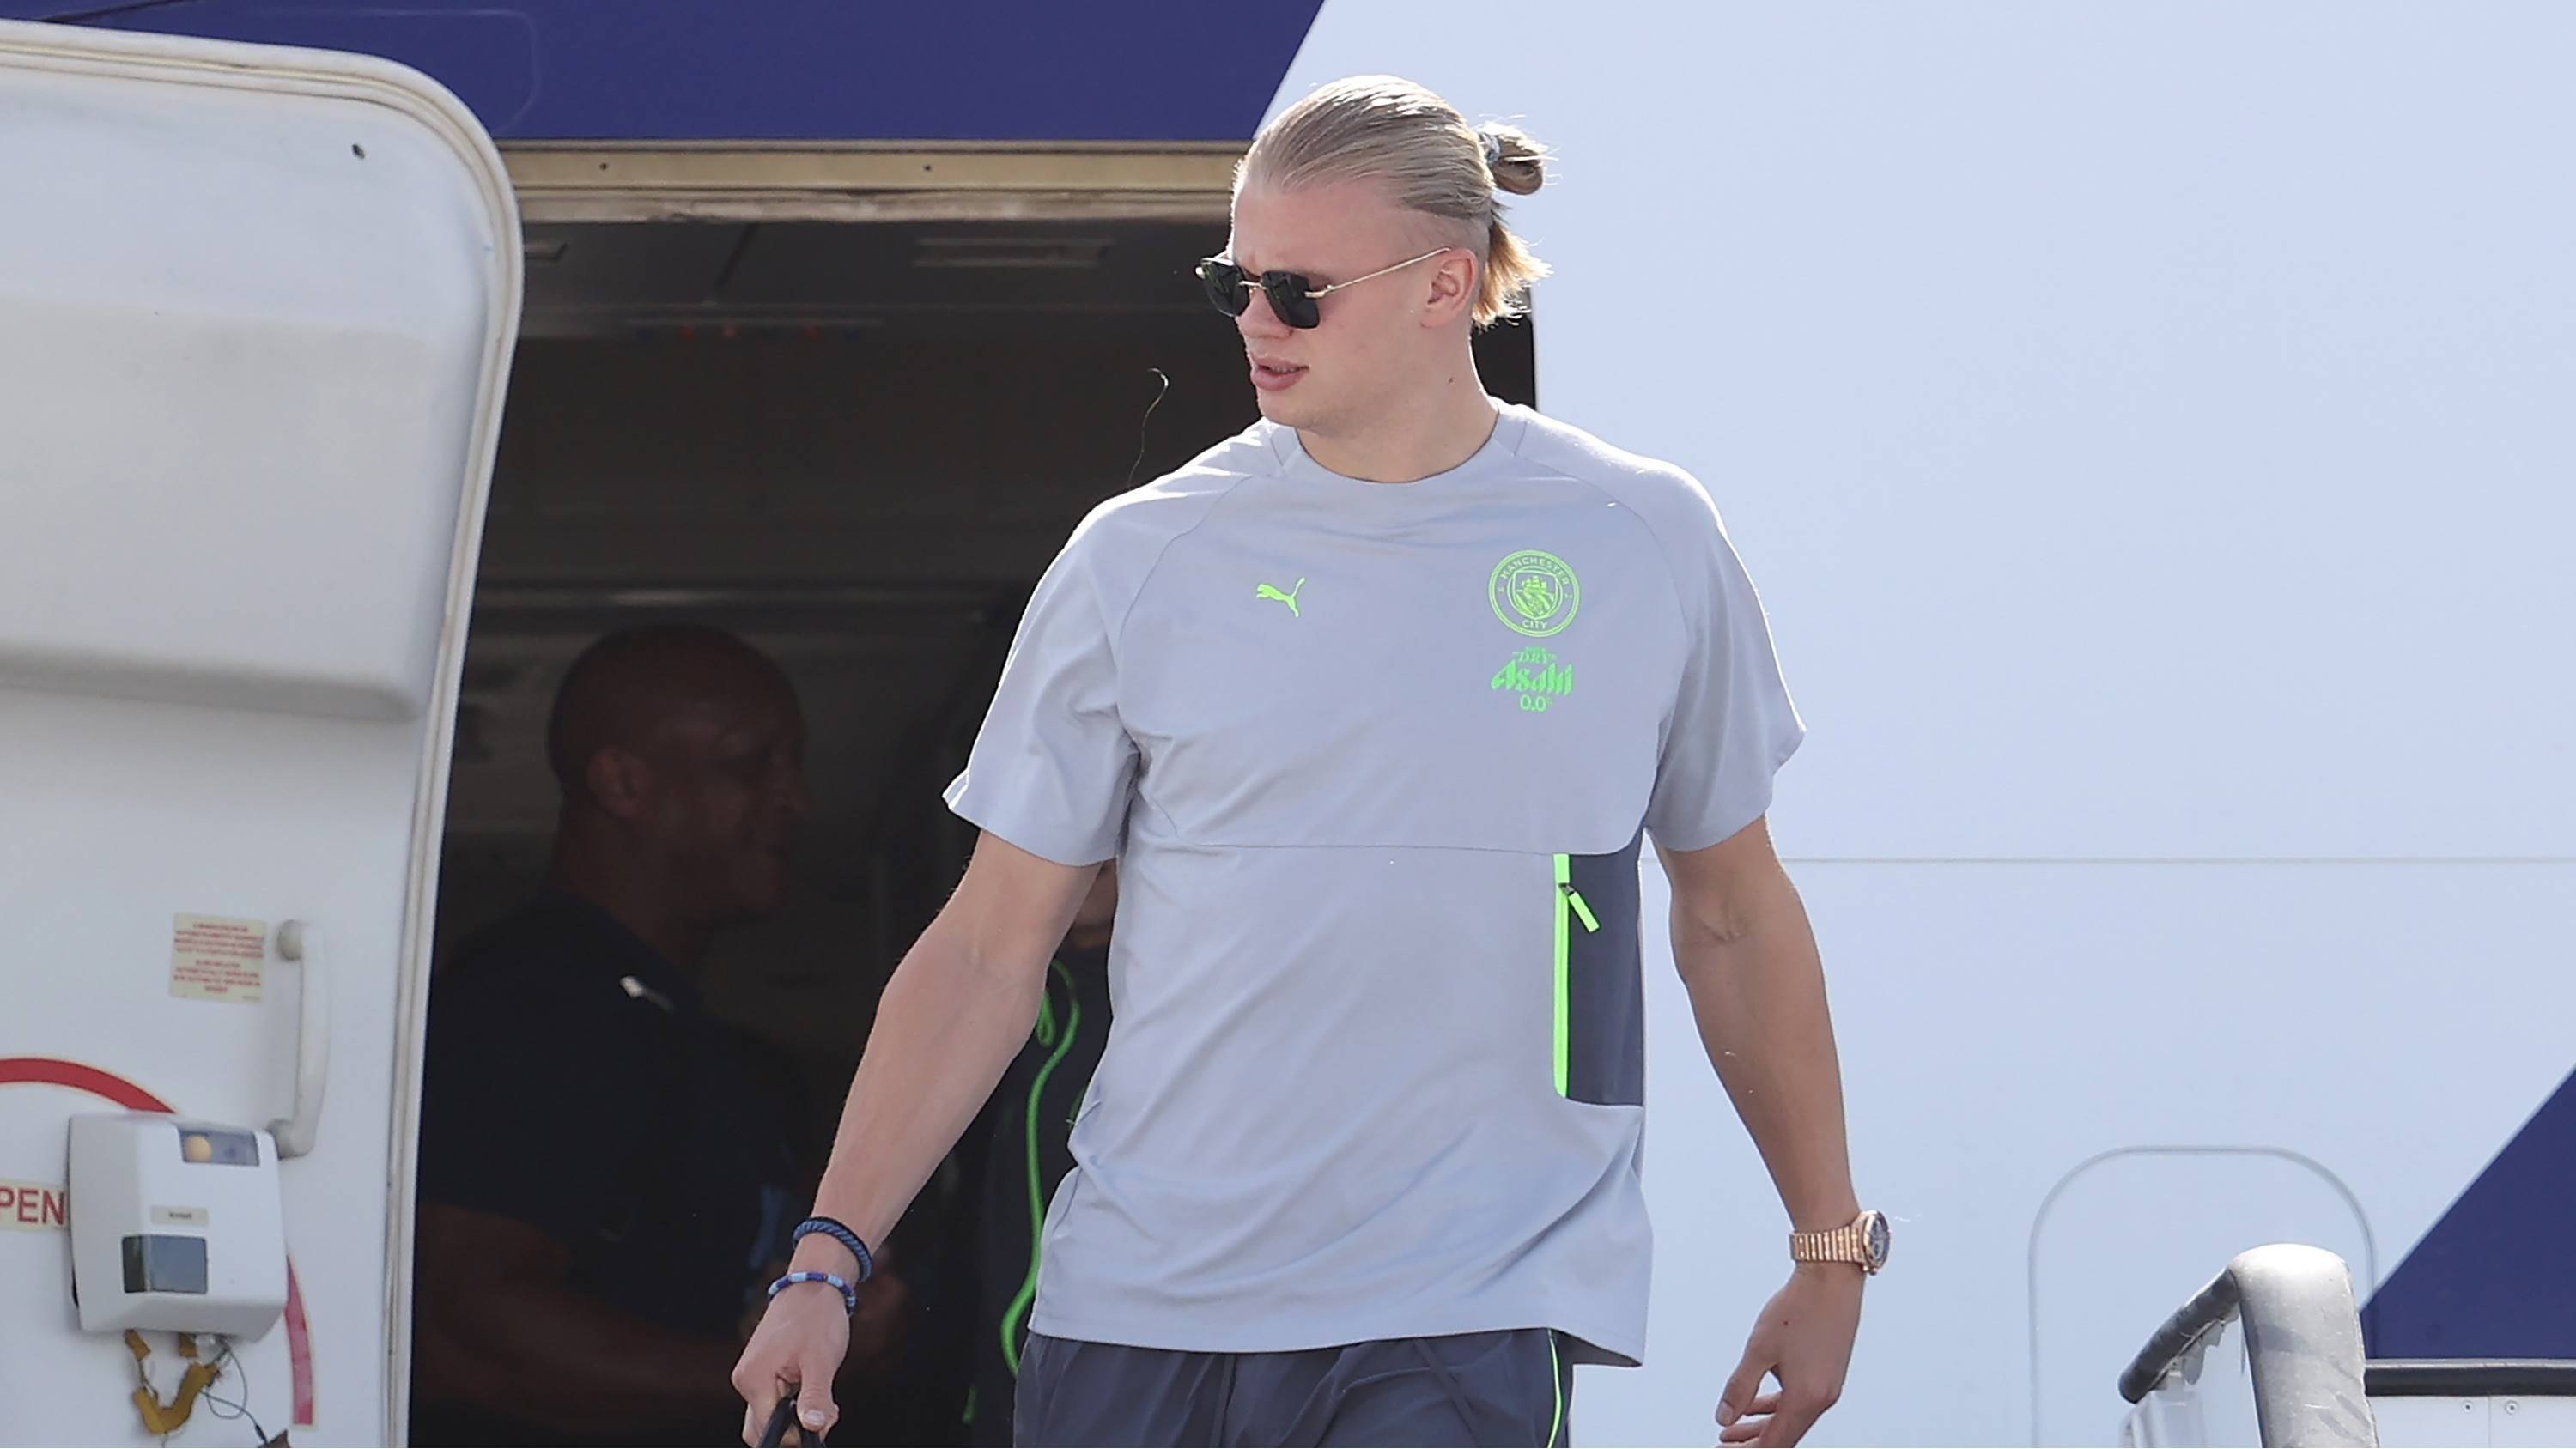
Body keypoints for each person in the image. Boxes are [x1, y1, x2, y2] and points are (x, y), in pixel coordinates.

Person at [737, 76, 1881, 1449]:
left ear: (1446, 283)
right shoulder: (1138, 557)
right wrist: (826, 1260)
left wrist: (1830, 1247)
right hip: (1137, 1313)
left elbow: (1733, 913)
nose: (1256, 324)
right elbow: (988, 949)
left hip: (1467, 1313)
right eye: (1234, 284)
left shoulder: (1643, 540)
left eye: (1298, 291)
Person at [411, 625, 907, 1445]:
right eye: (751, 766)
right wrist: (782, 1371)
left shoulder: (693, 1039)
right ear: (623, 783)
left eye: (792, 766)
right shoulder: (533, 1007)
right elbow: (461, 1329)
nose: (797, 800)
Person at [963, 865, 1118, 1445]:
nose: (1100, 836)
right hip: (1003, 1409)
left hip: (1132, 1402)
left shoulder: (1181, 1013)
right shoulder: (994, 1001)